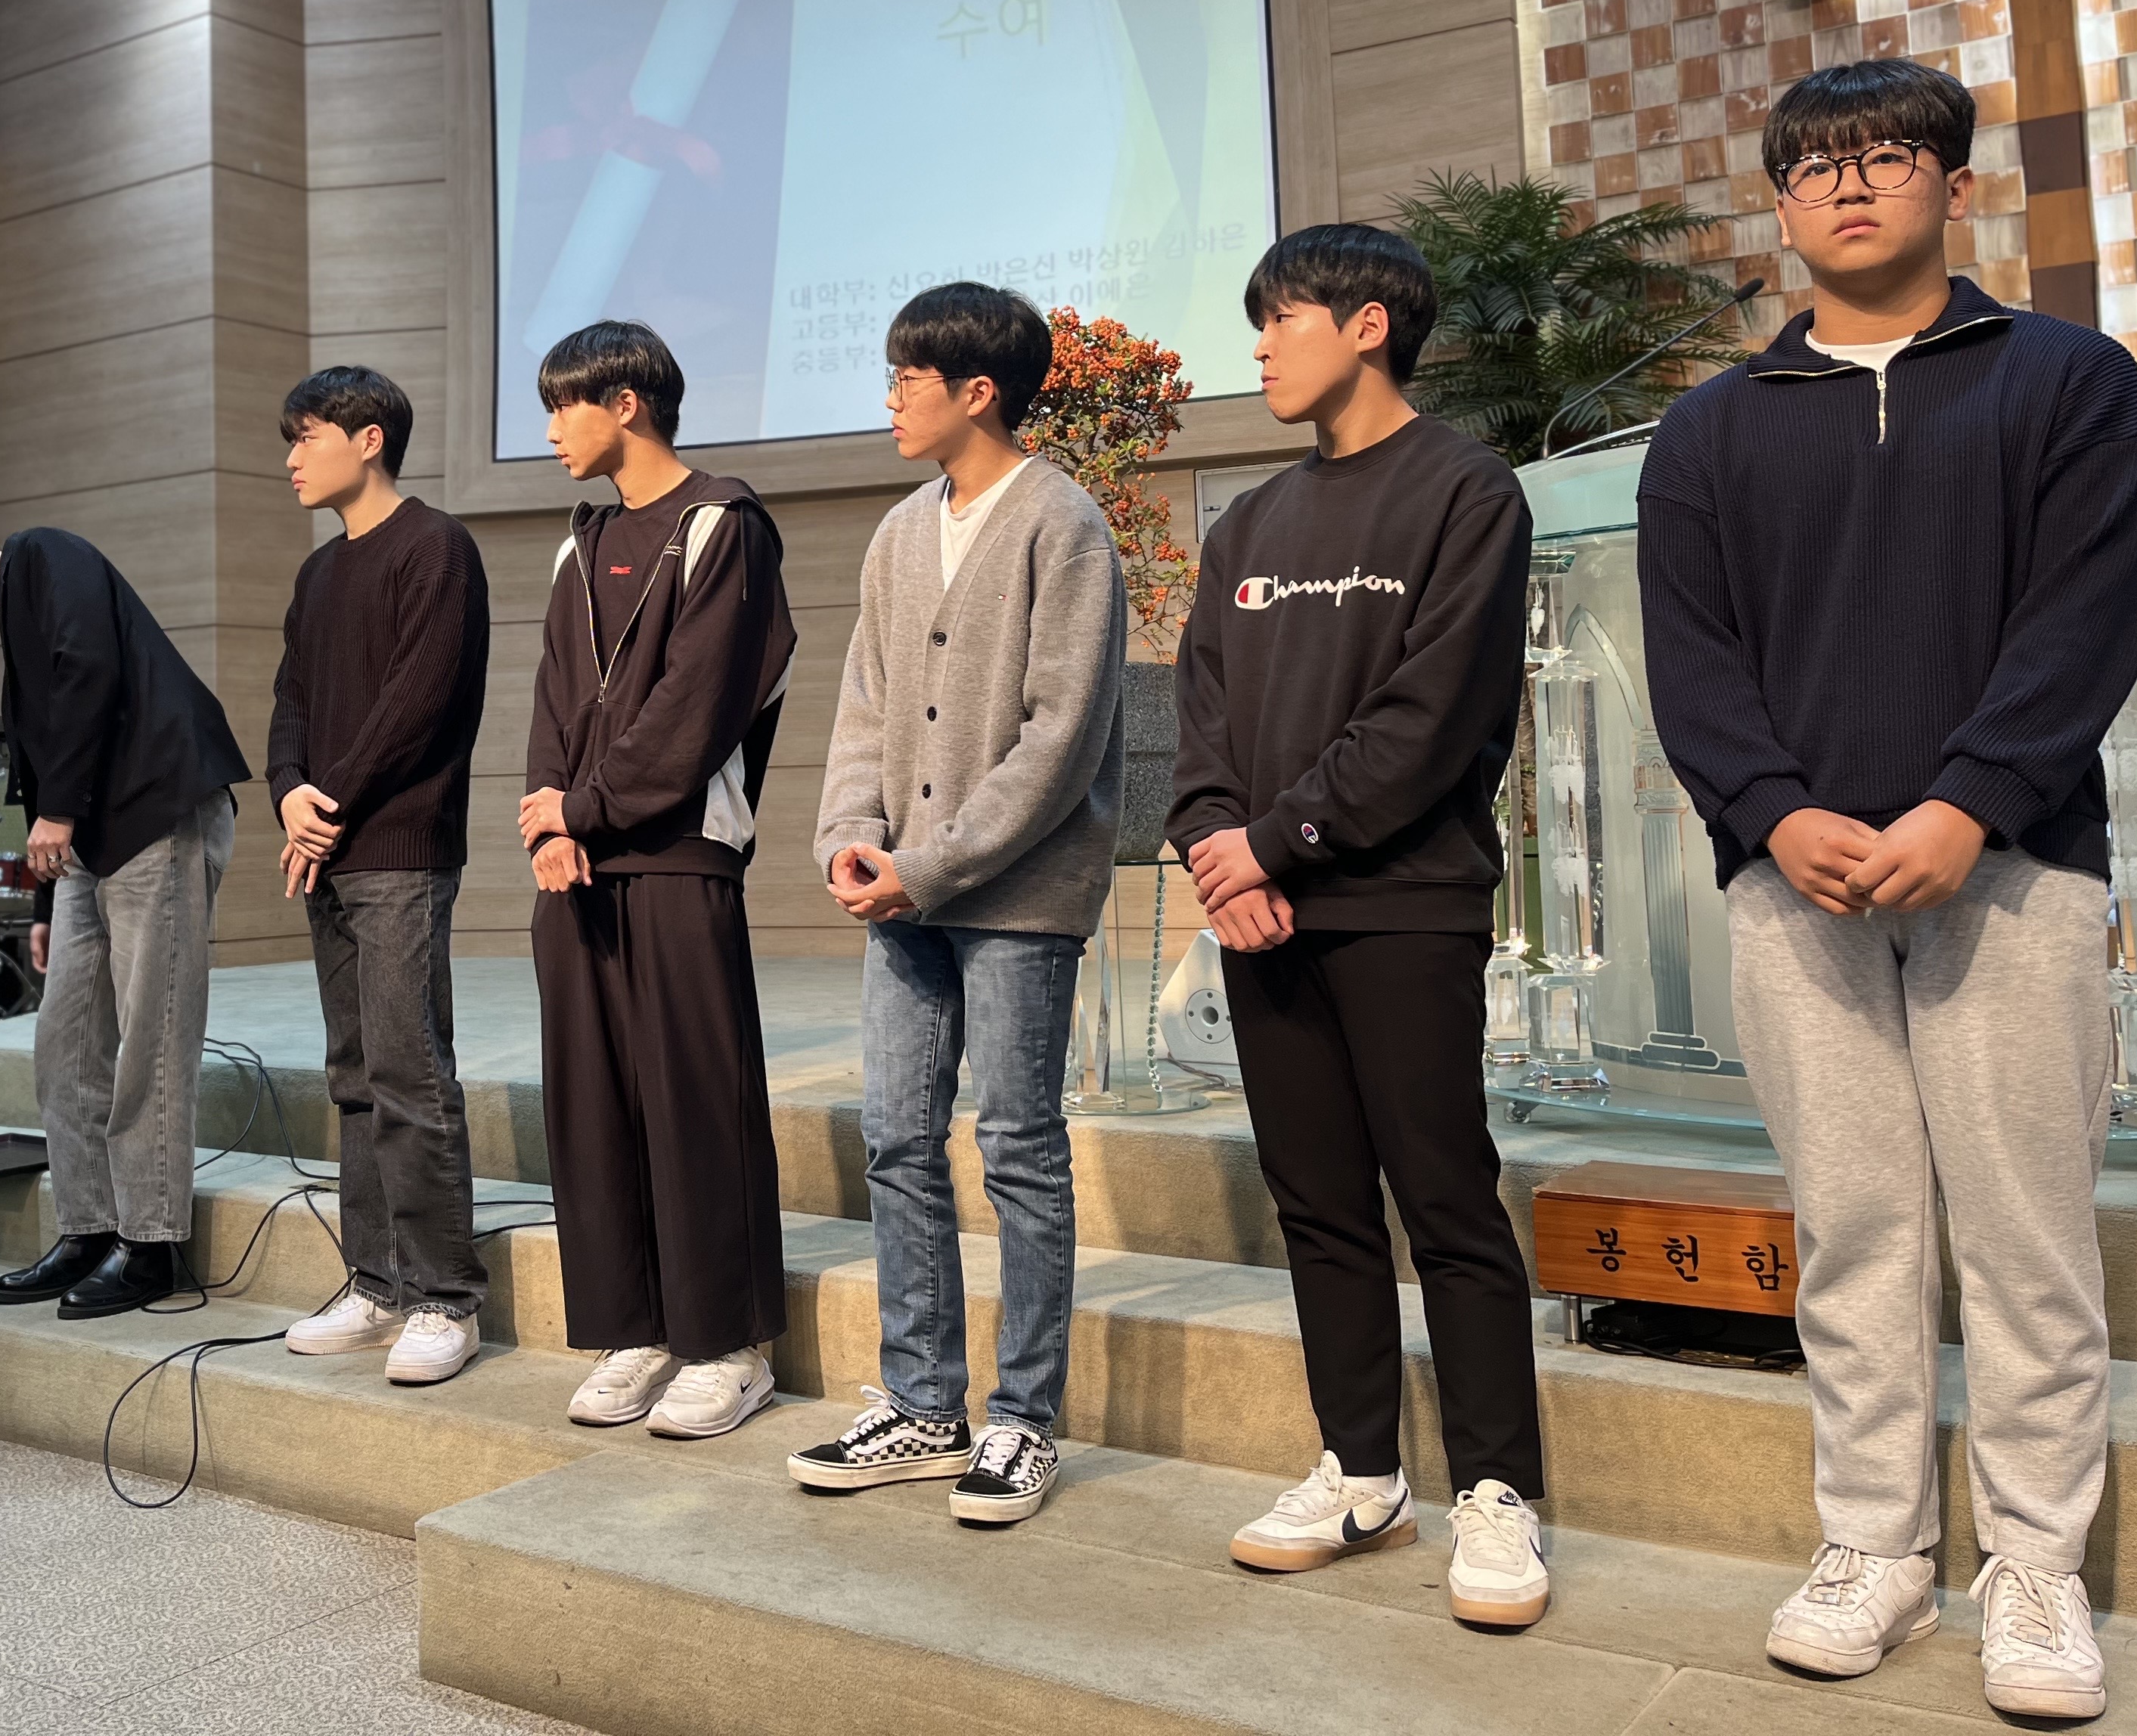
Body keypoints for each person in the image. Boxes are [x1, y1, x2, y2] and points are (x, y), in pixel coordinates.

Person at [1639, 59, 2137, 1723]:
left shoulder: (2068, 381)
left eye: (1886, 156)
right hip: (1794, 885)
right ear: (1782, 208)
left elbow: (2087, 616)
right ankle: (1873, 1541)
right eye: (1816, 167)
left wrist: (1969, 800)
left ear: (1953, 185)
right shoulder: (1712, 427)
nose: (1850, 185)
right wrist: (1774, 812)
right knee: (1854, 1229)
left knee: (2024, 1235)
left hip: (2013, 870)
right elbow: (1692, 657)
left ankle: (2035, 1564)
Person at [1166, 224, 1549, 1629]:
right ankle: (1363, 1469)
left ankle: (1497, 1490)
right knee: (1317, 1202)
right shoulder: (1249, 525)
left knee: (1444, 1198)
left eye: (1282, 318)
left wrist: (1273, 842)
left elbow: (1434, 716)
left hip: (1404, 902)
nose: (1260, 345)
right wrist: (1221, 852)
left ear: (1369, 323)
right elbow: (1202, 719)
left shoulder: (1465, 491)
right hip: (1264, 915)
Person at [791, 283, 1124, 1527]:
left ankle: (1022, 1417)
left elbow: (1061, 734)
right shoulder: (897, 531)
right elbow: (864, 705)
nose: (888, 397)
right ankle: (923, 1406)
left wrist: (928, 863)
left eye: (905, 377)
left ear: (976, 389)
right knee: (894, 1136)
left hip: (1017, 896)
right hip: (902, 898)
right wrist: (848, 839)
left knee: (1019, 1148)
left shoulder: (1062, 522)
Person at [522, 320, 796, 1439]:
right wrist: (548, 821)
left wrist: (583, 807)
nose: (550, 429)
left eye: (564, 405)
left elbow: (698, 704)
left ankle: (730, 1343)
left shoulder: (723, 525)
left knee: (697, 1104)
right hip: (576, 865)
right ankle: (633, 1327)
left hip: (681, 854)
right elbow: (552, 701)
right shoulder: (578, 546)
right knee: (593, 1109)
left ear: (626, 402)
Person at [0, 506, 250, 1319]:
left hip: (157, 811)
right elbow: (45, 754)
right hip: (91, 840)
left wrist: (58, 815)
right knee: (65, 1043)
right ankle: (90, 1228)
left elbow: (92, 671)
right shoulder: (21, 612)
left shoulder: (45, 555)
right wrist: (49, 899)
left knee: (151, 1039)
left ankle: (150, 1244)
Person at [267, 367, 493, 1387]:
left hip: (398, 845)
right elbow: (291, 699)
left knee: (409, 1072)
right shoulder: (318, 572)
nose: (292, 458)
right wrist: (289, 792)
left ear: (368, 439)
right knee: (354, 1075)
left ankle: (445, 1297)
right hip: (328, 843)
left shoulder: (435, 545)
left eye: (306, 435)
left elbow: (420, 701)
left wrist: (330, 803)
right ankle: (377, 1282)